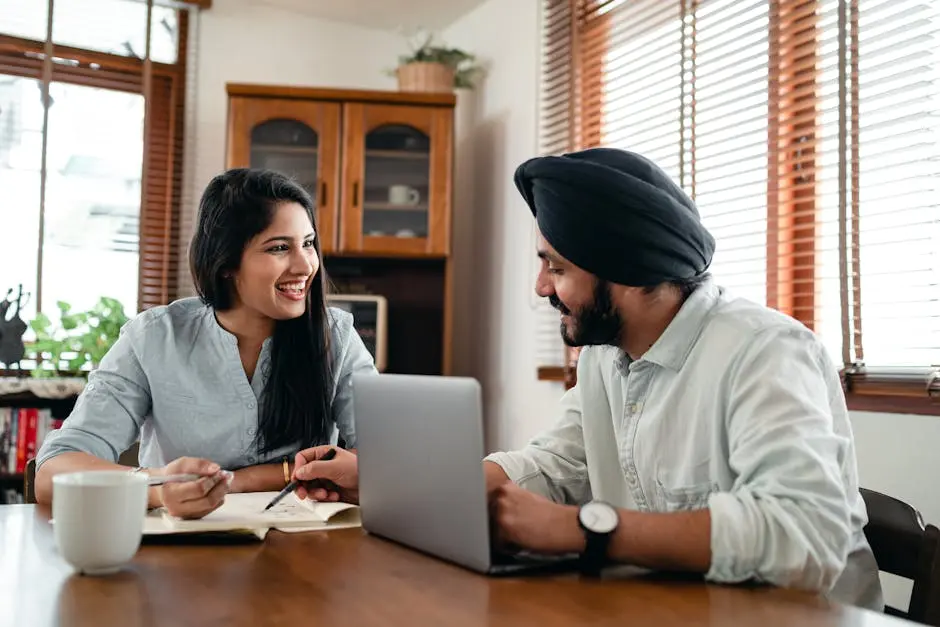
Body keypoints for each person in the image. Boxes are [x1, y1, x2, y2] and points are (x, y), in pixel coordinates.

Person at [292, 147, 883, 610]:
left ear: (624, 270)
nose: (541, 287)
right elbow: (556, 465)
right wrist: (396, 482)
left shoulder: (765, 351)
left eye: (557, 266)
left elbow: (806, 538)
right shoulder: (606, 354)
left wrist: (585, 531)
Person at [34, 168, 377, 519]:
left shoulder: (336, 336)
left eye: (308, 243)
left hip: (309, 552)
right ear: (225, 262)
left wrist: (245, 481)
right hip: (180, 557)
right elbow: (52, 474)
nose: (306, 264)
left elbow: (386, 461)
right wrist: (158, 488)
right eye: (279, 248)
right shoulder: (153, 337)